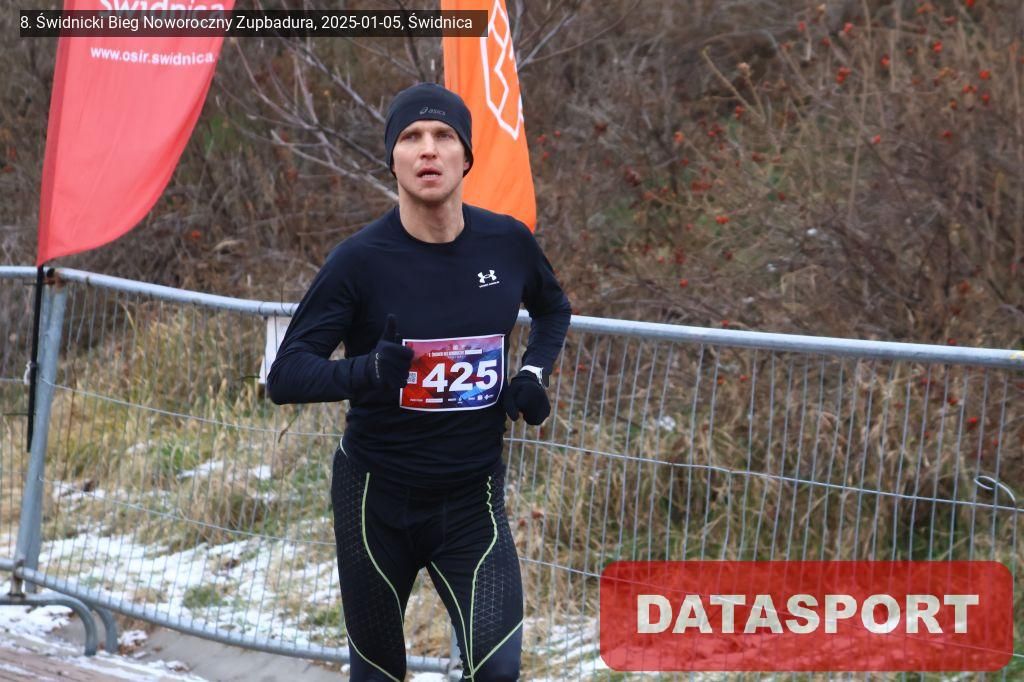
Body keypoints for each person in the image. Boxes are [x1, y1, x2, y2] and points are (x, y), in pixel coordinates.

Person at [267, 82, 572, 682]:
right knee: (379, 674)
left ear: (466, 157)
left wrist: (533, 372)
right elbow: (286, 374)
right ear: (393, 159)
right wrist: (367, 372)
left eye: (443, 136)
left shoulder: (507, 243)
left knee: (497, 671)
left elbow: (553, 308)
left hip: (472, 501)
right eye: (410, 137)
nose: (427, 149)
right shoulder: (359, 261)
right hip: (375, 500)